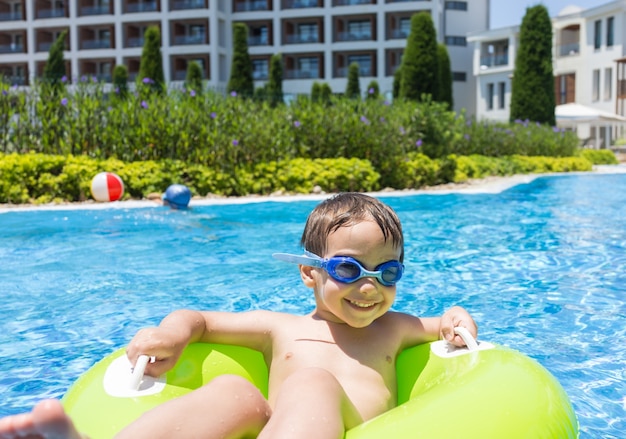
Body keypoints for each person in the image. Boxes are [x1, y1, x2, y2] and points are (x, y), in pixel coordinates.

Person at [0, 192, 477, 439]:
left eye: (387, 272)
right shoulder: (280, 328)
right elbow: (200, 318)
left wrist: (458, 318)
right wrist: (171, 335)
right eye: (349, 269)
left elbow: (445, 323)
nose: (370, 286)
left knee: (314, 383)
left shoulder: (394, 329)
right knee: (235, 392)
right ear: (309, 274)